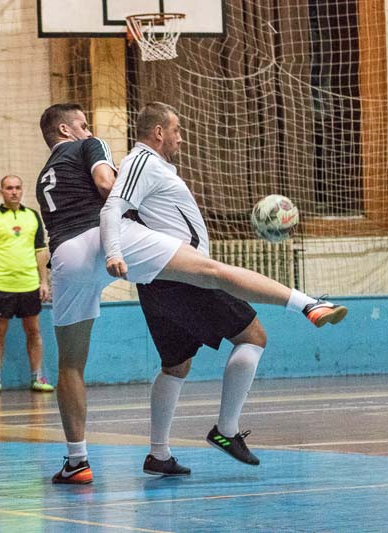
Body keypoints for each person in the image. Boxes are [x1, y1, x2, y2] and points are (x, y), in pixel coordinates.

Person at [100, 102, 348, 477]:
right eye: (177, 130)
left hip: (161, 279)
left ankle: (159, 454)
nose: (182, 138)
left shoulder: (153, 166)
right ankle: (227, 429)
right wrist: (114, 252)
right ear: (158, 133)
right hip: (182, 276)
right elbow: (112, 207)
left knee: (176, 364)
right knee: (253, 335)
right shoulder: (142, 161)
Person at [35, 103, 117, 485]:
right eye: (83, 124)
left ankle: (77, 461)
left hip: (66, 259)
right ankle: (293, 301)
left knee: (69, 365)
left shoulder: (44, 176)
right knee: (198, 270)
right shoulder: (88, 146)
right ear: (66, 130)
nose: (89, 130)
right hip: (102, 240)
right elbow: (107, 186)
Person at [0, 175, 53, 395]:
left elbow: (41, 251)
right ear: (1, 191)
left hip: (29, 284)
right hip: (1, 285)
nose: (14, 192)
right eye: (9, 188)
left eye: (17, 188)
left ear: (22, 190)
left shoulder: (32, 216)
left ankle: (37, 376)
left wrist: (44, 282)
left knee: (34, 331)